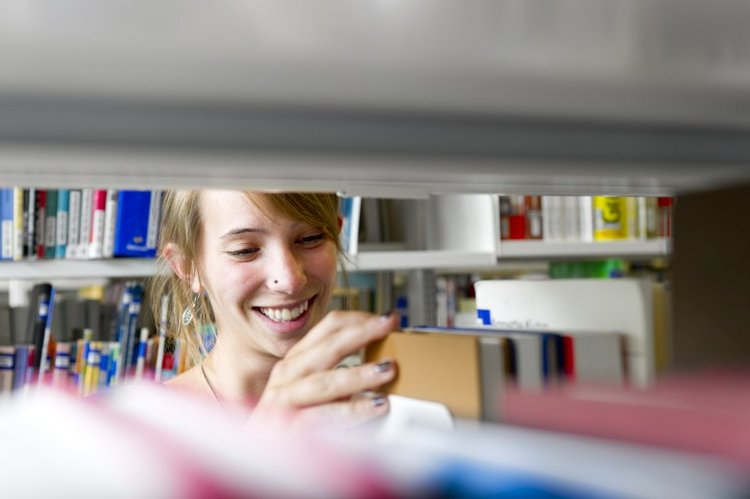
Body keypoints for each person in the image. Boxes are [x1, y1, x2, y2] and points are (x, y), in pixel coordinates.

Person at [147, 189, 398, 428]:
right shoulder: (145, 427)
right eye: (244, 250)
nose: (289, 279)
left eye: (310, 238)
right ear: (188, 268)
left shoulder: (380, 412)